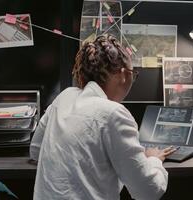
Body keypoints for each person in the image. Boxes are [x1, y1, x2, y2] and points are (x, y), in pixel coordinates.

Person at [30, 34, 176, 200]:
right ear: (123, 75)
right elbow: (149, 191)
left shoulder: (64, 97)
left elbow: (35, 150)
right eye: (133, 73)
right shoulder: (114, 113)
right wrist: (153, 160)